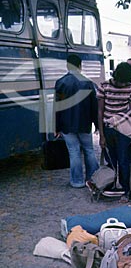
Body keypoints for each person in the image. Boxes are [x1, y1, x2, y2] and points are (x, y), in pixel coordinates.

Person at [55, 54, 99, 188]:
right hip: (85, 123)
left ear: (67, 66)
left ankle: (77, 181)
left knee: (74, 152)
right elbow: (94, 106)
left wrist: (56, 127)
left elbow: (58, 107)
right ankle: (93, 180)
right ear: (80, 66)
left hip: (67, 125)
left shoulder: (61, 82)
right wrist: (97, 124)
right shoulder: (88, 83)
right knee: (89, 150)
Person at [96, 62, 131, 203]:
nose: (122, 85)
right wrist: (101, 135)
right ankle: (111, 187)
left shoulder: (130, 88)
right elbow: (100, 112)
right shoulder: (104, 86)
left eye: (125, 82)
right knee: (111, 161)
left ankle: (126, 190)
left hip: (124, 131)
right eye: (121, 82)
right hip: (108, 129)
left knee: (124, 161)